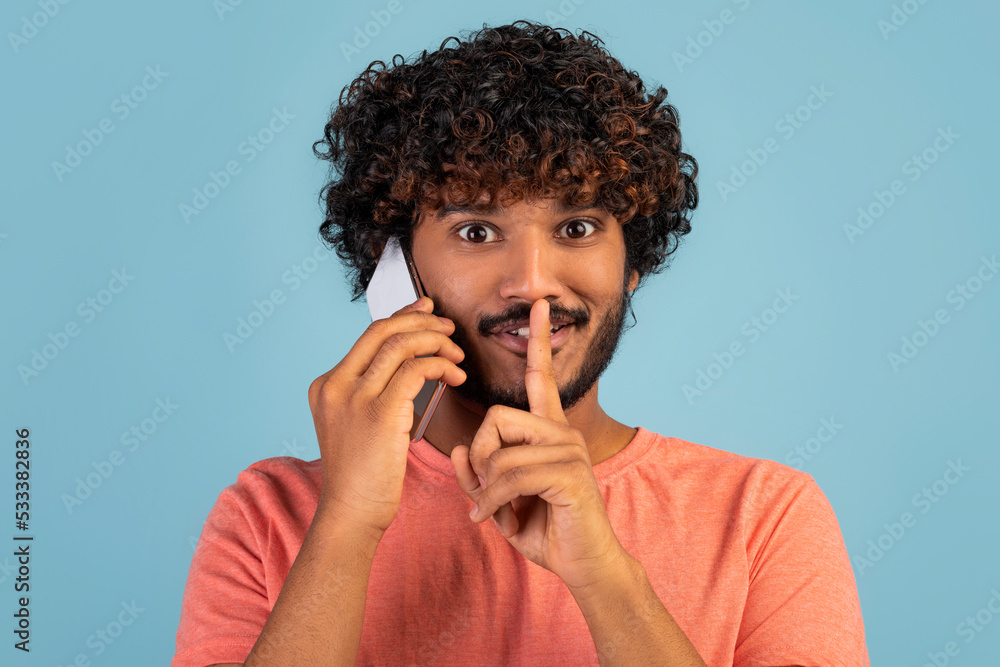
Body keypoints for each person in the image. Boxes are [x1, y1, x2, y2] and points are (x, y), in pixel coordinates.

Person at [172, 20, 869, 666]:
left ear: (634, 259)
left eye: (577, 228)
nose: (533, 283)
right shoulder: (269, 515)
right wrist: (347, 526)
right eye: (476, 231)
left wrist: (605, 576)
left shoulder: (764, 514)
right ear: (394, 266)